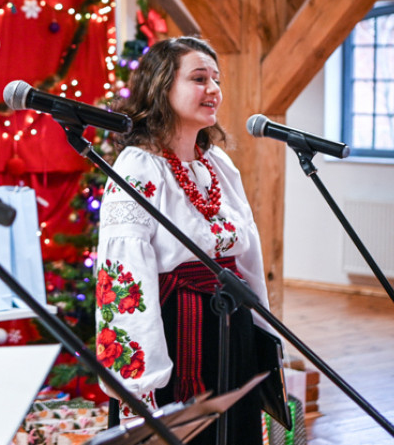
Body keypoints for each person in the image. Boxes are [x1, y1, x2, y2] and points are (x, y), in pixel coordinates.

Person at [94, 36, 270, 445]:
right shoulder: (137, 167)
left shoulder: (218, 164)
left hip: (231, 323)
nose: (213, 89)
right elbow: (124, 275)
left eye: (216, 79)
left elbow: (249, 252)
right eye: (198, 78)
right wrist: (144, 376)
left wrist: (263, 329)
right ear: (161, 88)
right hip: (177, 331)